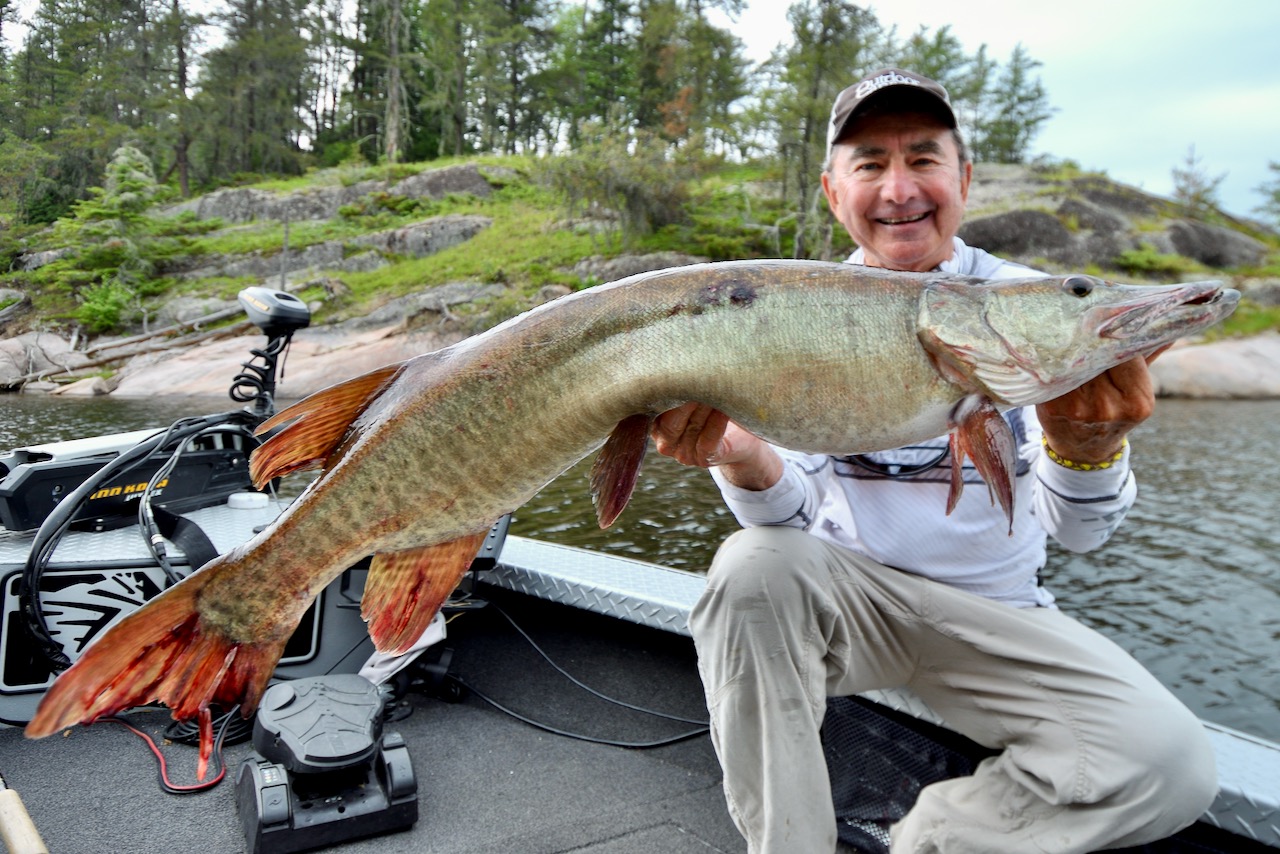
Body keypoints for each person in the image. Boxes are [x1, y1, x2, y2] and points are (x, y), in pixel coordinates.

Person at [651, 67, 1217, 854]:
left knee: (1173, 765)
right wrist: (742, 459)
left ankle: (930, 842)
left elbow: (1081, 537)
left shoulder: (1028, 306)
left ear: (964, 178)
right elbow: (794, 520)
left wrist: (1089, 450)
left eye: (923, 158)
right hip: (855, 606)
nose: (899, 187)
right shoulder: (798, 312)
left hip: (1000, 615)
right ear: (831, 190)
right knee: (750, 568)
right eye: (870, 163)